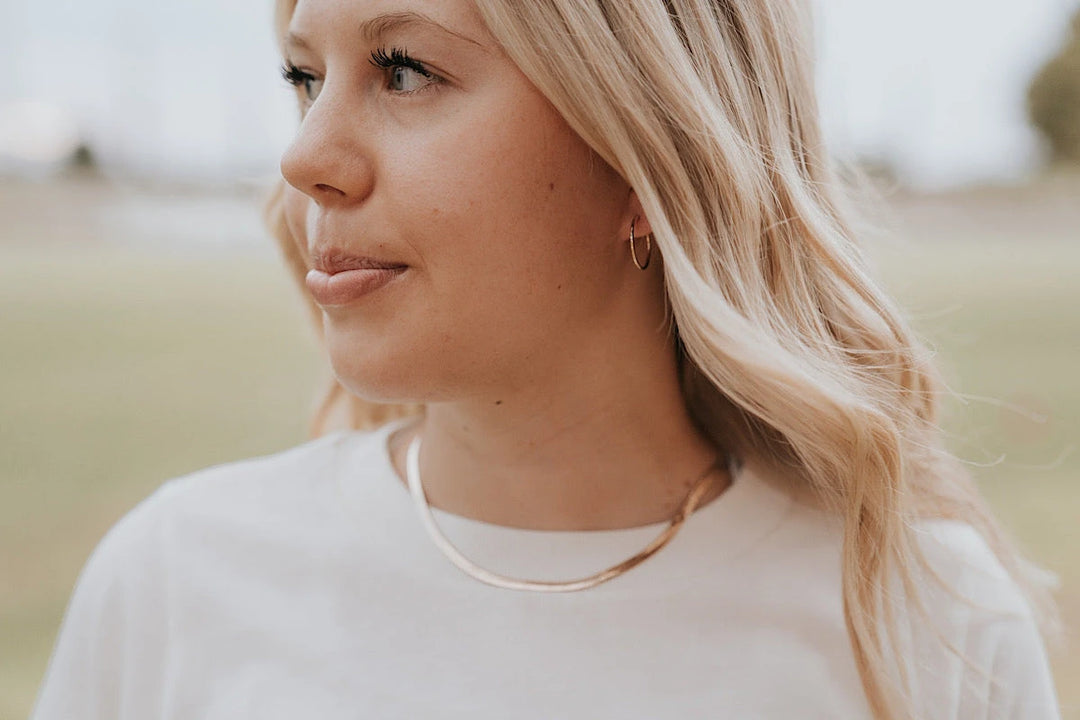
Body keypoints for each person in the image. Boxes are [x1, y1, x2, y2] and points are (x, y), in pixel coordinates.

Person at [30, 0, 1064, 718]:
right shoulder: (175, 582)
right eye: (307, 77)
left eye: (404, 70)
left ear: (644, 151)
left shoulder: (929, 633)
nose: (304, 158)